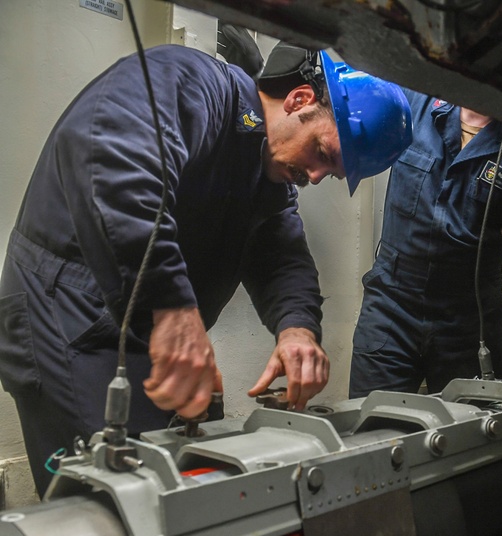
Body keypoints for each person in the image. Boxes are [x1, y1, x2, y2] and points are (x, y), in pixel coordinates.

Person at [0, 42, 412, 495]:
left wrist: (297, 329)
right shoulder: (190, 83)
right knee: (115, 500)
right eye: (322, 153)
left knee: (191, 483)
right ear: (299, 101)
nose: (315, 176)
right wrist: (173, 309)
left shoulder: (266, 173)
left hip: (137, 327)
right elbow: (114, 165)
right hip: (67, 312)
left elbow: (281, 253)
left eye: (330, 173)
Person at [348, 91, 502, 417]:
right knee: (371, 432)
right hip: (391, 313)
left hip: (471, 324)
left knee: (472, 442)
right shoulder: (412, 104)